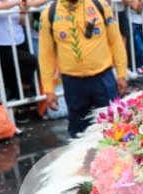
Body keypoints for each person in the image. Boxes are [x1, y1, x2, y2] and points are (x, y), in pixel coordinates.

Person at [39, 0, 130, 138]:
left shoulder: (100, 6)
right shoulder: (49, 14)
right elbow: (46, 55)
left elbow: (115, 41)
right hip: (73, 83)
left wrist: (121, 74)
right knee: (79, 133)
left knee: (117, 125)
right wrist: (49, 89)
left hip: (103, 78)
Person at [0, 0, 39, 110]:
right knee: (28, 62)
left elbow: (22, 21)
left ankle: (24, 96)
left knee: (23, 68)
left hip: (19, 40)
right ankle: (21, 92)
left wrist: (23, 12)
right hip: (0, 44)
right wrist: (16, 3)